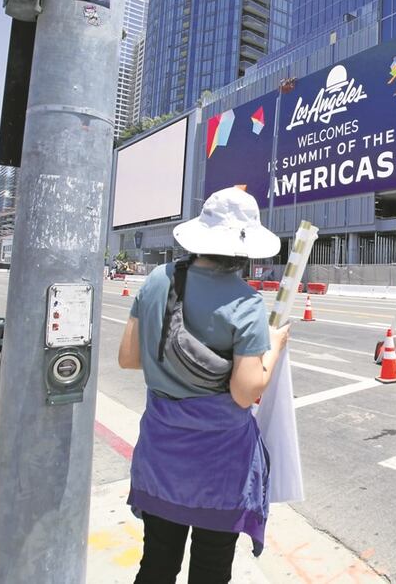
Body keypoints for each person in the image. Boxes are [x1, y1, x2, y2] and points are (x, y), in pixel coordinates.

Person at [118, 187, 290, 584]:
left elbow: (128, 358)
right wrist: (275, 345)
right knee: (211, 571)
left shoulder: (157, 280)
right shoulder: (246, 303)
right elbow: (245, 392)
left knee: (156, 565)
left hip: (162, 456)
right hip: (219, 465)